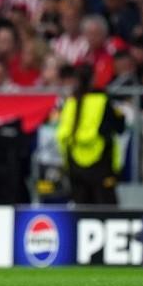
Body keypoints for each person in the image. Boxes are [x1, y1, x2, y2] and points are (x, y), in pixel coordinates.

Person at [56, 65, 125, 204]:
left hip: (74, 162)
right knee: (105, 207)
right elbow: (120, 127)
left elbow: (62, 135)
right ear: (93, 79)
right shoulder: (102, 101)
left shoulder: (69, 102)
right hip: (101, 162)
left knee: (81, 207)